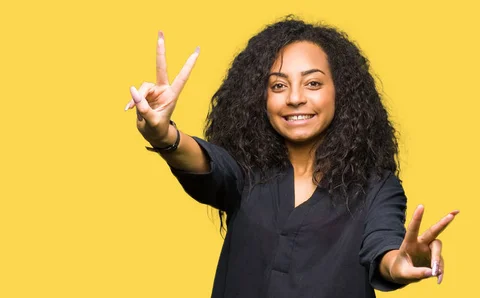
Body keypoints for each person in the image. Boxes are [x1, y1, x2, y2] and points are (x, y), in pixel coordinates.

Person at [125, 16, 459, 298]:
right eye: (278, 86)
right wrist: (163, 134)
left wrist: (399, 261)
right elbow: (207, 163)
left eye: (313, 83)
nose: (295, 98)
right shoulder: (246, 170)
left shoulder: (377, 187)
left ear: (339, 92)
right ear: (261, 98)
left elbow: (383, 243)